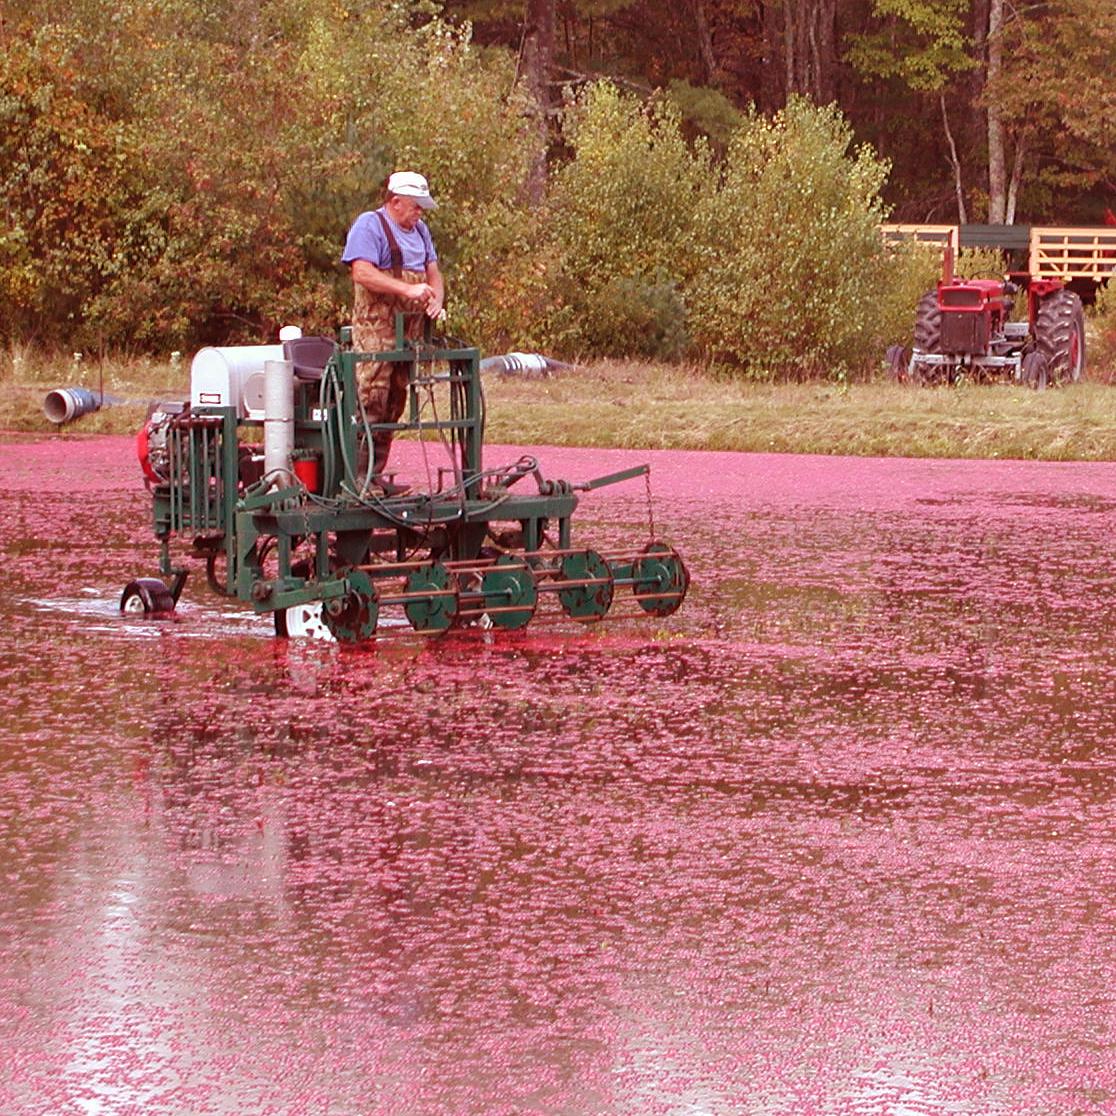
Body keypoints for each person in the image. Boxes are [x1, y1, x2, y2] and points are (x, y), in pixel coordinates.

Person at [340, 170, 445, 493]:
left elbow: (434, 273)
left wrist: (436, 301)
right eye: (415, 206)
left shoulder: (421, 231)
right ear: (395, 201)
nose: (419, 213)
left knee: (395, 402)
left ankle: (374, 475)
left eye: (422, 208)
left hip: (409, 333)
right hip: (377, 329)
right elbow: (362, 272)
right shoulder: (369, 226)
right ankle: (358, 477)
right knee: (372, 397)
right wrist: (406, 290)